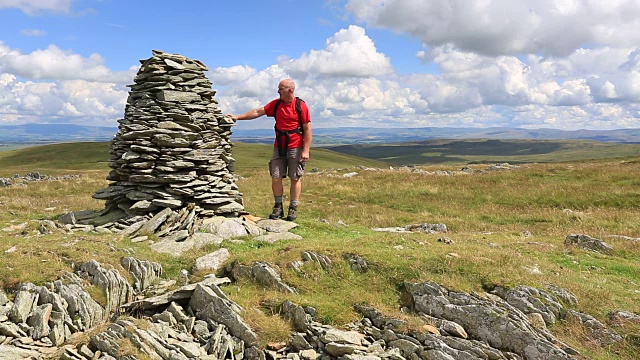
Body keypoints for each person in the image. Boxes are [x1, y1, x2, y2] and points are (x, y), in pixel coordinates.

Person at [227, 79, 312, 221]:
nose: (278, 91)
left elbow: (307, 128)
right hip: (279, 146)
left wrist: (306, 150)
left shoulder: (300, 105)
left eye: (281, 88)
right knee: (276, 176)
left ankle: (293, 208)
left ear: (290, 90)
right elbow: (257, 112)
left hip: (296, 147)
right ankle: (278, 206)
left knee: (295, 178)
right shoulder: (276, 104)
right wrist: (237, 117)